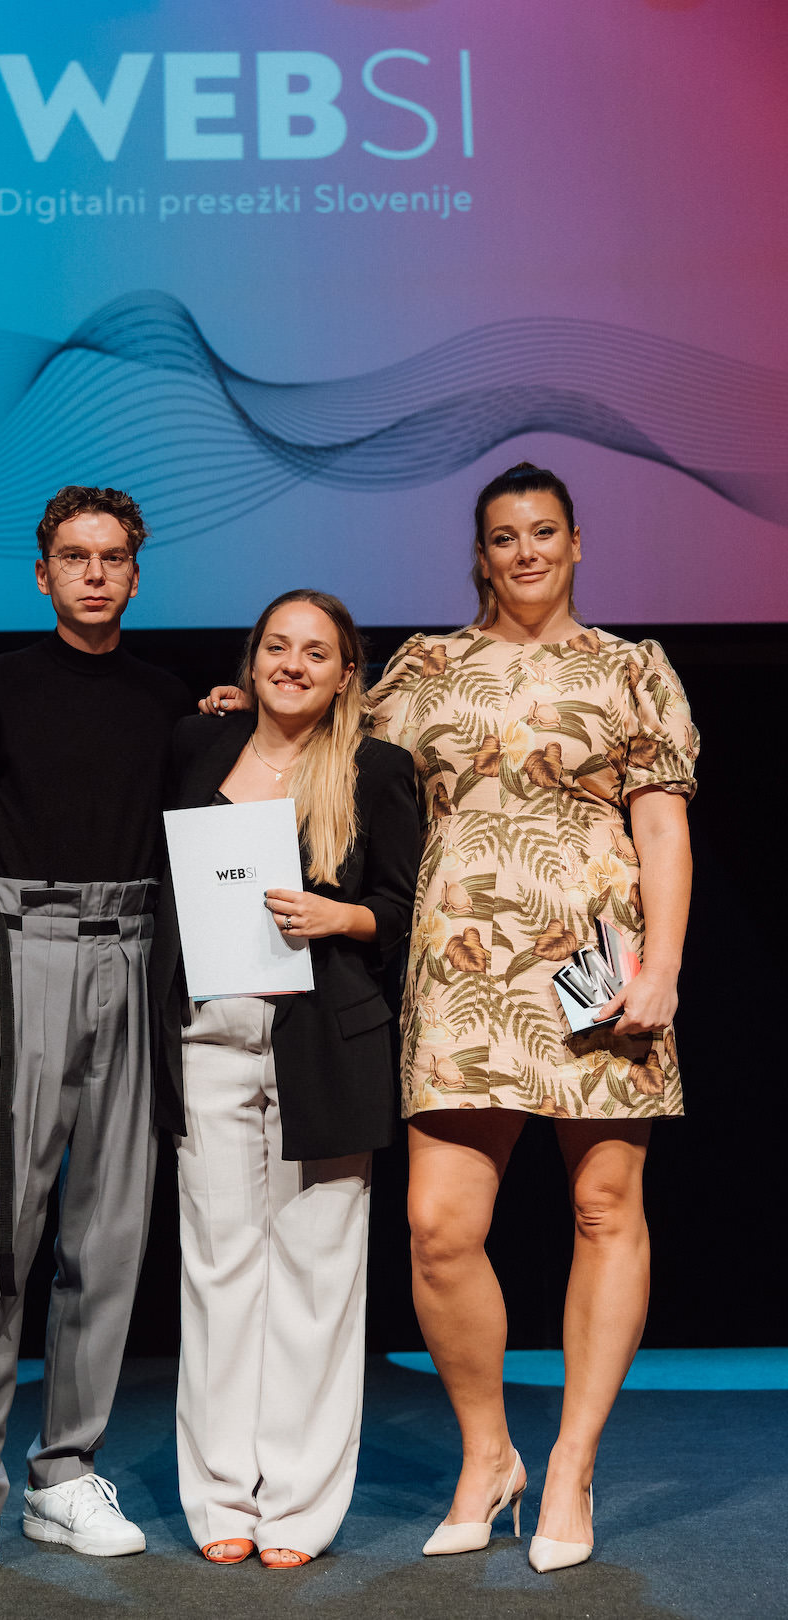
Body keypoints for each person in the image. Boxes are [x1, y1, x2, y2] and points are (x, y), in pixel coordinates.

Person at [201, 463, 698, 1571]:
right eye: (504, 537)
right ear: (481, 554)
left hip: (597, 959)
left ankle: (569, 1467)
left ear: (576, 543)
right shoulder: (426, 668)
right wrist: (254, 709)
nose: (526, 552)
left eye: (544, 532)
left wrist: (663, 966)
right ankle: (489, 1455)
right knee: (438, 1229)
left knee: (604, 1208)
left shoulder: (632, 669)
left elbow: (662, 825)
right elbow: (328, 733)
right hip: (461, 967)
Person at [0, 485, 192, 1594]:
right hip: (18, 955)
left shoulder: (165, 699)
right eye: (75, 557)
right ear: (42, 573)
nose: (94, 574)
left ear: (136, 573)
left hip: (132, 955)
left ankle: (65, 1471)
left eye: (113, 557)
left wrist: (220, 714)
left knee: (108, 1234)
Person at [151, 590, 419, 1569]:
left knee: (316, 1277)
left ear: (347, 674)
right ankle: (221, 1493)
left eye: (315, 652)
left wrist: (338, 917)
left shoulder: (376, 769)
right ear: (251, 659)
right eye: (277, 646)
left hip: (326, 1048)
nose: (293, 664)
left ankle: (300, 1507)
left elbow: (403, 908)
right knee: (217, 1272)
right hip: (210, 1041)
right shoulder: (198, 745)